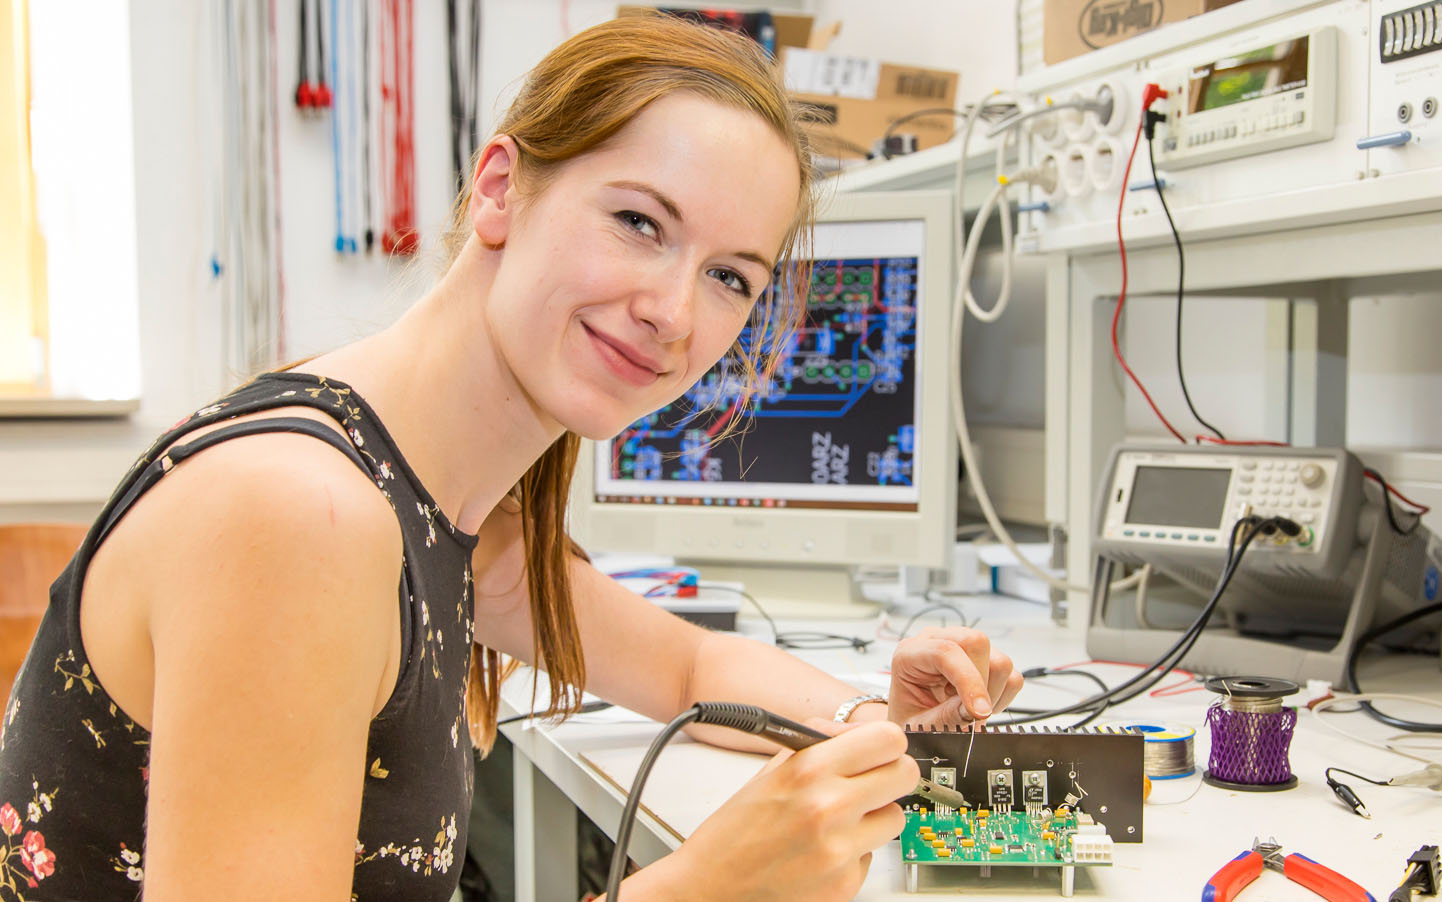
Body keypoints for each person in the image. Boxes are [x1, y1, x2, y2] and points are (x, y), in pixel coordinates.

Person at [0, 15, 1022, 902]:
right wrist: (697, 883)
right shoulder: (302, 515)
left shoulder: (451, 500)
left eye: (729, 276)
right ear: (500, 189)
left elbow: (690, 663)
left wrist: (875, 723)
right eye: (638, 222)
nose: (673, 313)